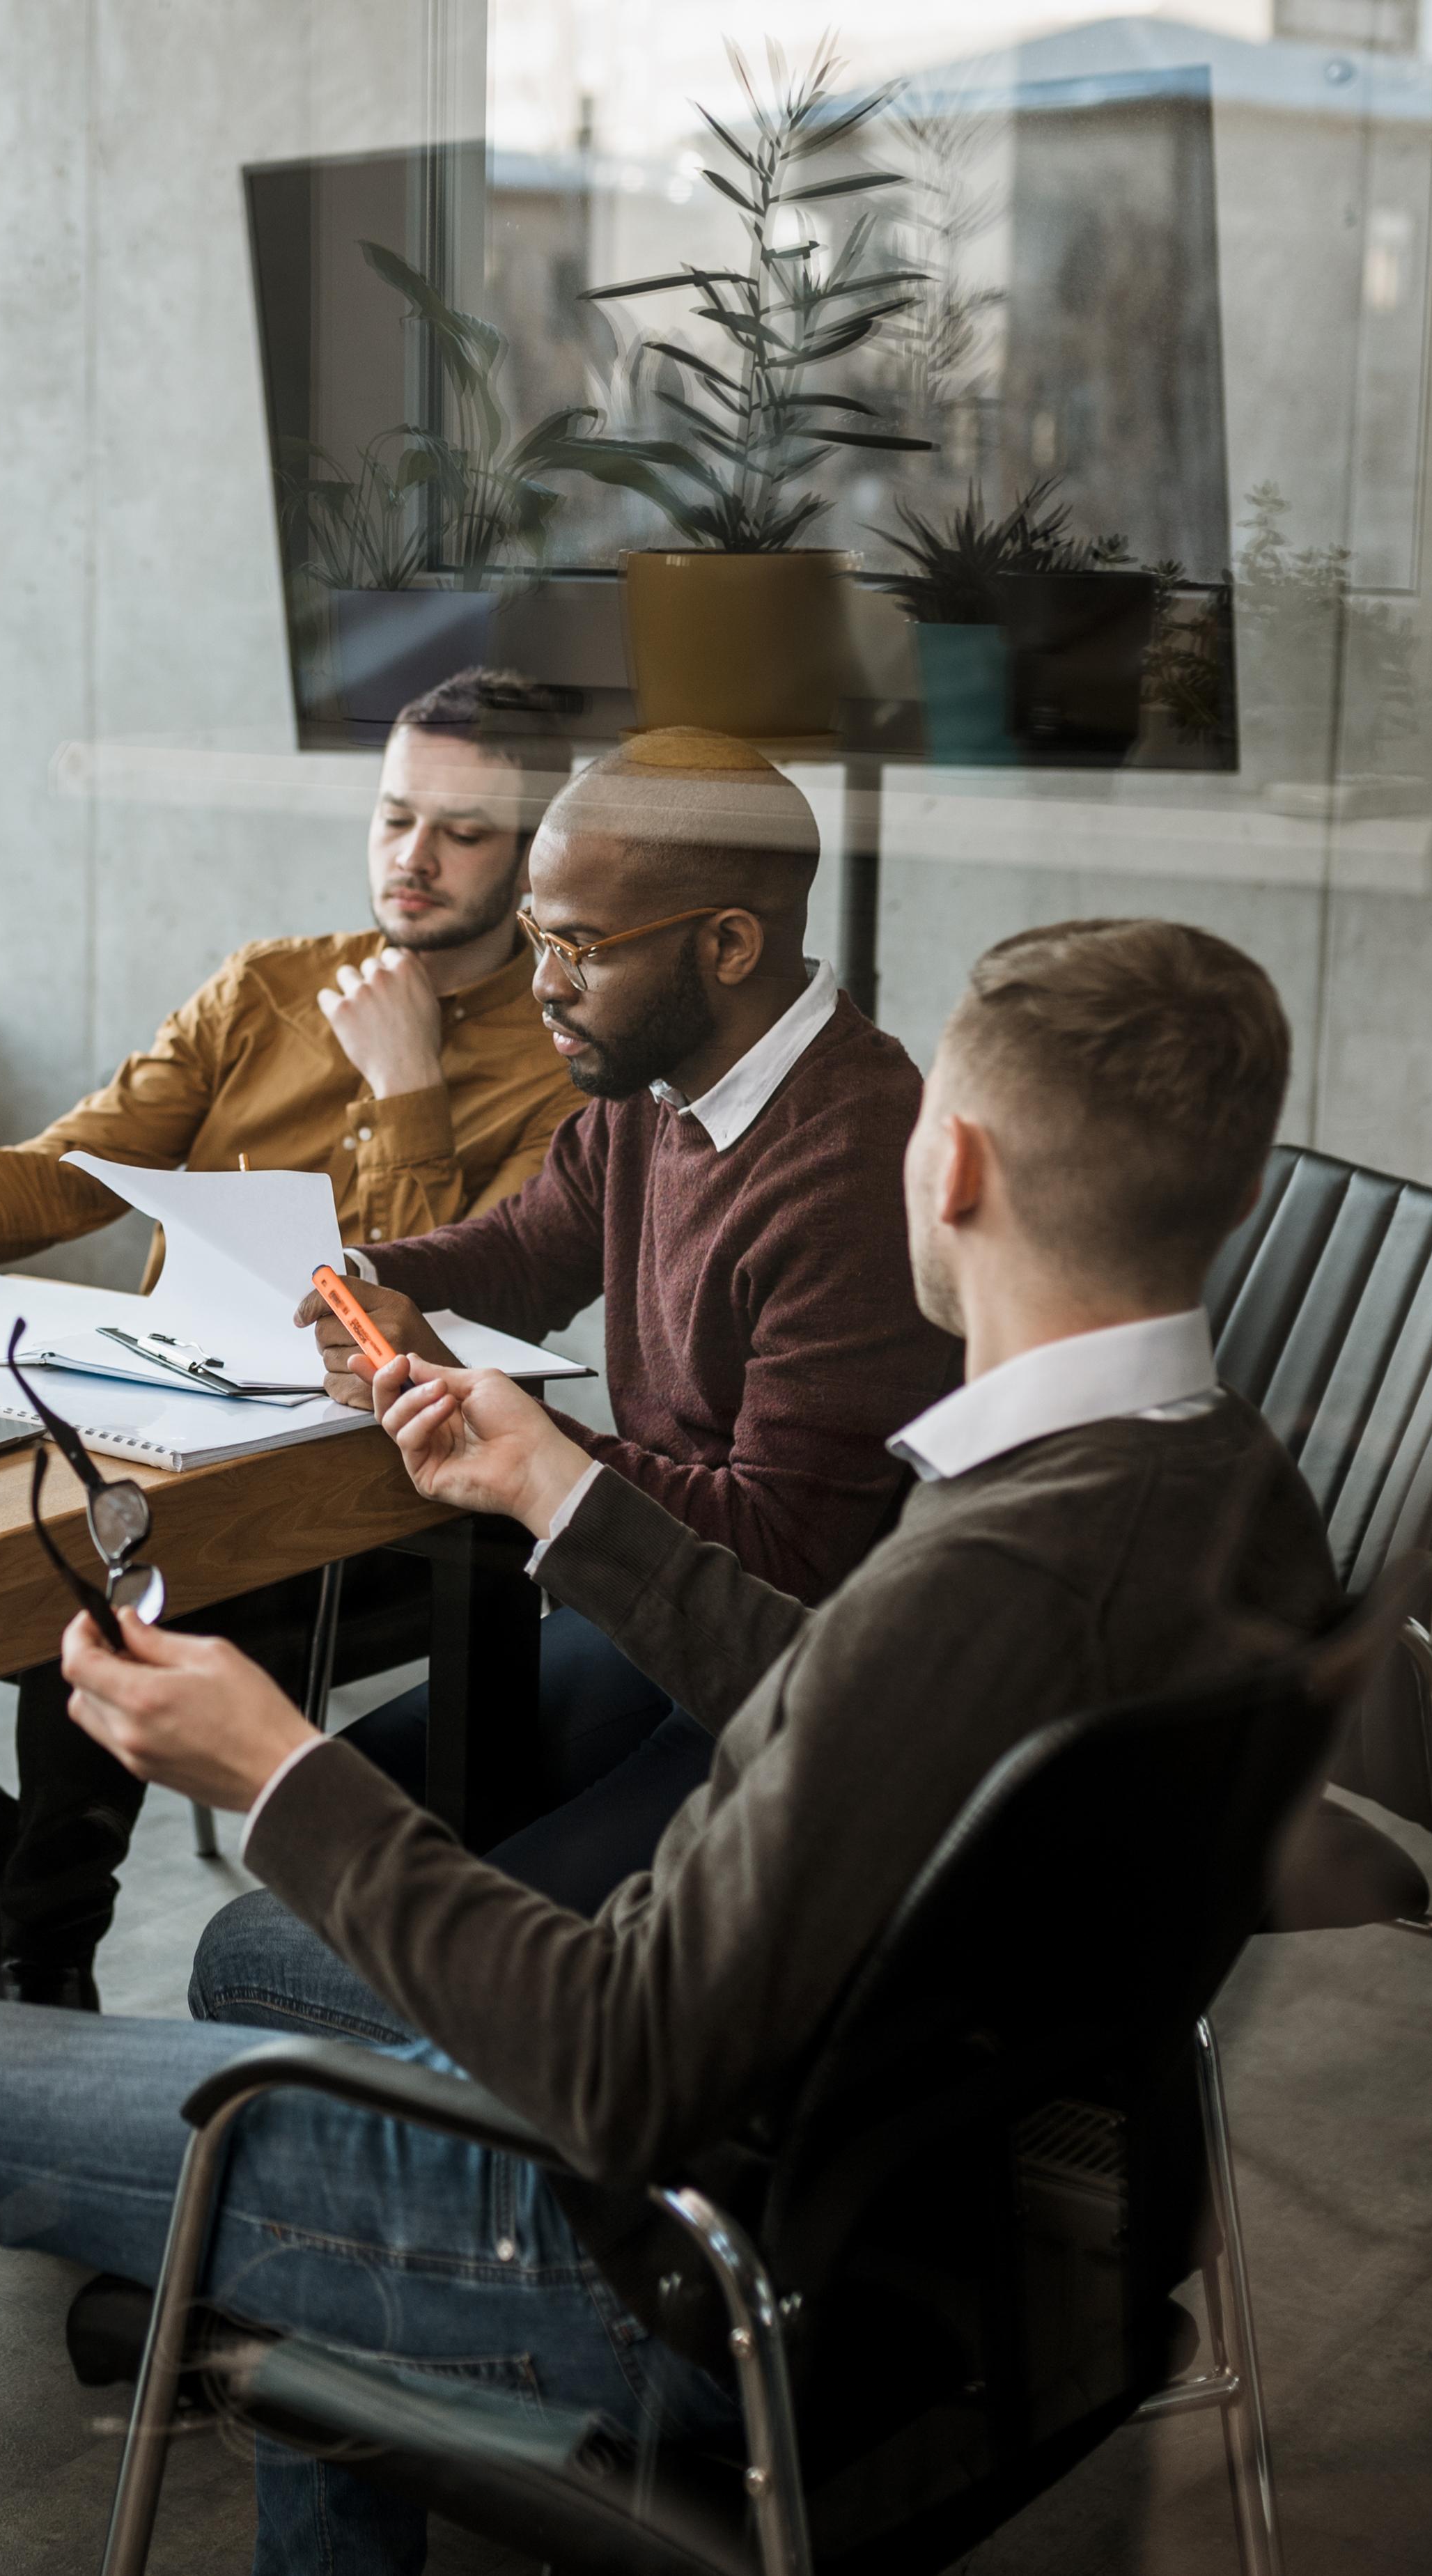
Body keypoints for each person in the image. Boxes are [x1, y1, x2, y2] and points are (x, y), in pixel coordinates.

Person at [0, 917, 1338, 2576]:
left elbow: (614, 2062)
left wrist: (278, 1765)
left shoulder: (978, 1571)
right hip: (961, 2207)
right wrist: (560, 1484)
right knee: (265, 1955)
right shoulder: (1225, 1499)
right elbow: (859, 1695)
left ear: (958, 1165)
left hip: (662, 2255)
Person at [0, 669, 586, 2036]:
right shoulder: (267, 985)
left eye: (460, 832)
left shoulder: (566, 1062)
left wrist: (406, 1089)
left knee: (100, 1570)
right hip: (164, 1424)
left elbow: (436, 1303)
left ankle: (39, 1957)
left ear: (530, 855)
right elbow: (73, 1169)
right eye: (394, 814)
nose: (410, 854)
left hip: (379, 1490)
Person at [294, 722, 960, 1916]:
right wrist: (346, 1273)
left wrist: (528, 1450)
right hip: (660, 1620)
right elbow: (523, 1250)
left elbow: (786, 1557)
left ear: (729, 943)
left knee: (370, 1924)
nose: (544, 980)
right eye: (541, 937)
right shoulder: (660, 1083)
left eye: (579, 947)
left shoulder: (854, 1164)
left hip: (795, 1685)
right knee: (318, 1839)